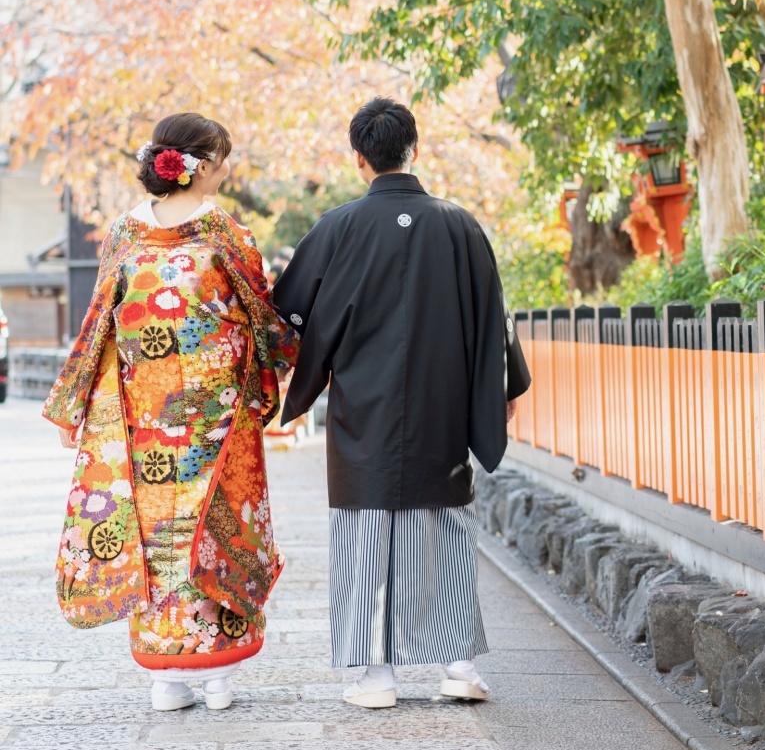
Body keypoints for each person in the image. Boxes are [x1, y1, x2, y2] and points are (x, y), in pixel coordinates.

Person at [272, 97, 531, 708]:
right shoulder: (460, 224)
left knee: (366, 534)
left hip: (363, 408)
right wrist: (499, 391)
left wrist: (296, 368)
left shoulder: (336, 227)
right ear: (416, 149)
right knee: (442, 526)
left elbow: (287, 316)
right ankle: (459, 667)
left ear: (359, 159)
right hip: (444, 406)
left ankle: (375, 677)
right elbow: (494, 318)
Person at [43, 113, 300, 712]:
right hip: (148, 418)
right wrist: (74, 404)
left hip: (214, 419)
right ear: (200, 165)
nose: (226, 169)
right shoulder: (189, 233)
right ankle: (170, 675)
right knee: (159, 540)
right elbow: (265, 320)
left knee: (210, 533)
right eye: (222, 159)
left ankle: (213, 675)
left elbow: (260, 314)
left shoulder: (205, 231)